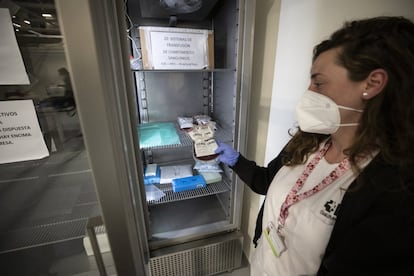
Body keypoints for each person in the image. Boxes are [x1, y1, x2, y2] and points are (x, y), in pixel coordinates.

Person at [215, 16, 414, 276]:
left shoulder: (395, 189)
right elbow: (267, 181)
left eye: (318, 83)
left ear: (372, 83)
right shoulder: (309, 140)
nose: (308, 93)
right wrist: (235, 160)